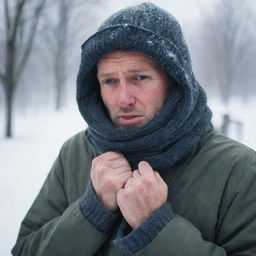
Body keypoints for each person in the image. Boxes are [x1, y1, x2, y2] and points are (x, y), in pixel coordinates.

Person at [12, 2, 256, 256]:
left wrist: (156, 229)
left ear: (175, 82)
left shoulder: (240, 170)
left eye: (139, 78)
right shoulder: (74, 154)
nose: (123, 99)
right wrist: (90, 213)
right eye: (109, 81)